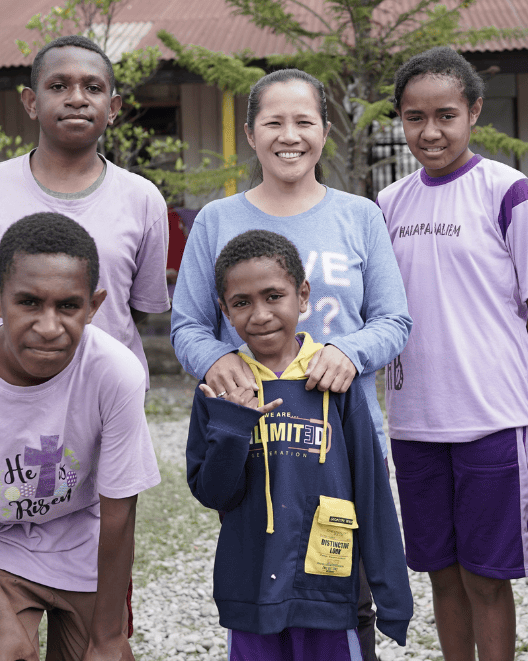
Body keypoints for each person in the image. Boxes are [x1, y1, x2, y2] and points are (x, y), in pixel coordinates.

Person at [170, 68, 411, 659]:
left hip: (338, 441)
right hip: (255, 435)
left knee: (337, 608)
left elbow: (394, 321)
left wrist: (346, 351)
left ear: (325, 131)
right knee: (263, 587)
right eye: (273, 122)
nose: (289, 135)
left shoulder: (360, 215)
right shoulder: (217, 220)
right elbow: (188, 327)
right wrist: (219, 361)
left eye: (304, 121)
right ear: (250, 134)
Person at [377, 45, 528, 661]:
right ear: (399, 118)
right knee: (441, 573)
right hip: (415, 420)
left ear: (473, 112)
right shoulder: (388, 203)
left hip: (491, 417)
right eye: (414, 117)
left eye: (446, 115)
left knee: (487, 575)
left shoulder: (508, 193)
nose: (430, 132)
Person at [0, 212, 160, 661]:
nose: (49, 326)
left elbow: (120, 509)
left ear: (94, 305)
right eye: (28, 302)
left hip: (83, 537)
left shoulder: (116, 372)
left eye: (68, 306)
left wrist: (108, 636)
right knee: (5, 652)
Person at [186, 230, 413, 659]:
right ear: (225, 311)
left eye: (274, 296)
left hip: (327, 590)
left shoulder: (334, 382)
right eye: (241, 303)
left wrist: (393, 595)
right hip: (248, 593)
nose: (260, 314)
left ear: (303, 295)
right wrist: (234, 424)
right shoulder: (219, 391)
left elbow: (371, 493)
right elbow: (214, 493)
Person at [0, 34, 170, 387]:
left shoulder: (142, 198)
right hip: (3, 389)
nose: (76, 99)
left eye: (93, 88)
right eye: (58, 86)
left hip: (106, 390)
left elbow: (135, 309)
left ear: (113, 108)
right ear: (31, 102)